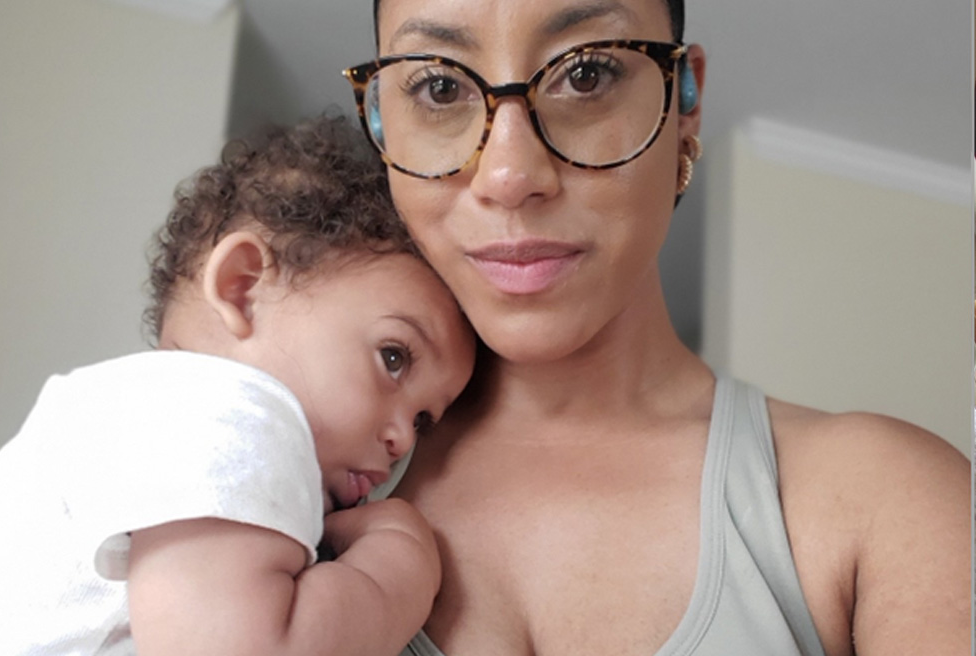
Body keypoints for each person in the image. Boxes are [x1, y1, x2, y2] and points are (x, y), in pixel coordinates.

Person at [340, 1, 971, 655]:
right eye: (439, 87)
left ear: (684, 100)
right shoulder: (287, 481)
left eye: (585, 74)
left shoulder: (888, 499)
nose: (509, 176)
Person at [0, 116, 475, 655]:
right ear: (242, 288)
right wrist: (398, 564)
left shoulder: (140, 417)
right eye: (394, 357)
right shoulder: (225, 413)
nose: (403, 439)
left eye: (425, 420)